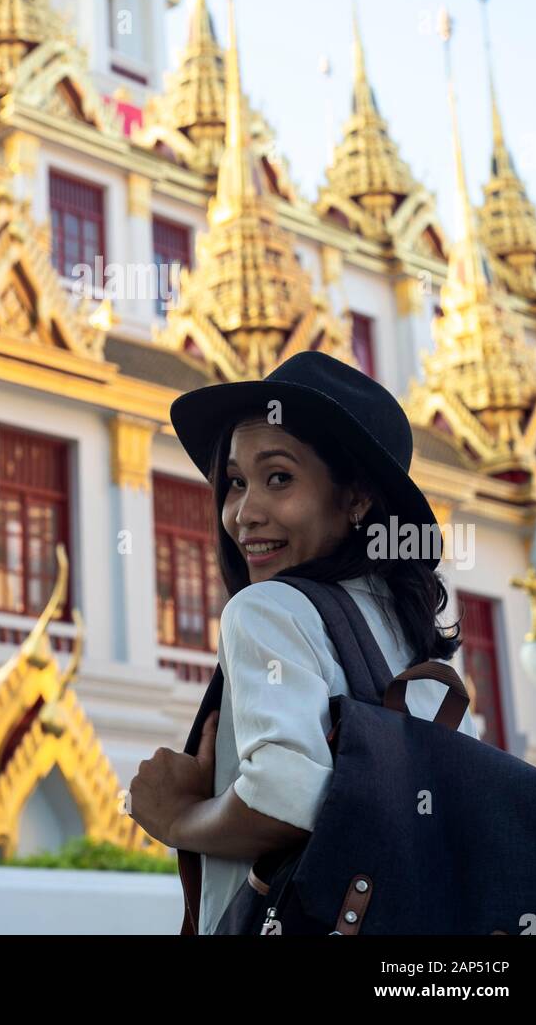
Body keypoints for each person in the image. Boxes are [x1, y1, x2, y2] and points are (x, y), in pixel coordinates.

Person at [127, 350, 481, 935]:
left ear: (356, 499)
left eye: (279, 478)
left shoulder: (266, 608)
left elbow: (285, 797)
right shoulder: (417, 650)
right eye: (236, 482)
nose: (244, 513)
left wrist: (179, 818)